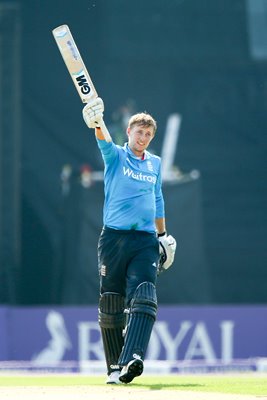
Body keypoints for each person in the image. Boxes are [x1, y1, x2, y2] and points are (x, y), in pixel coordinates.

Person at [82, 98, 176, 384]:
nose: (143, 138)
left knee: (145, 292)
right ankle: (114, 367)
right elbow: (104, 140)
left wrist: (163, 236)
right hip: (114, 238)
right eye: (139, 132)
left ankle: (132, 357)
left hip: (145, 239)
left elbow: (157, 200)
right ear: (129, 132)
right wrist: (96, 122)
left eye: (148, 134)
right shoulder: (116, 156)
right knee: (111, 300)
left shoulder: (155, 164)